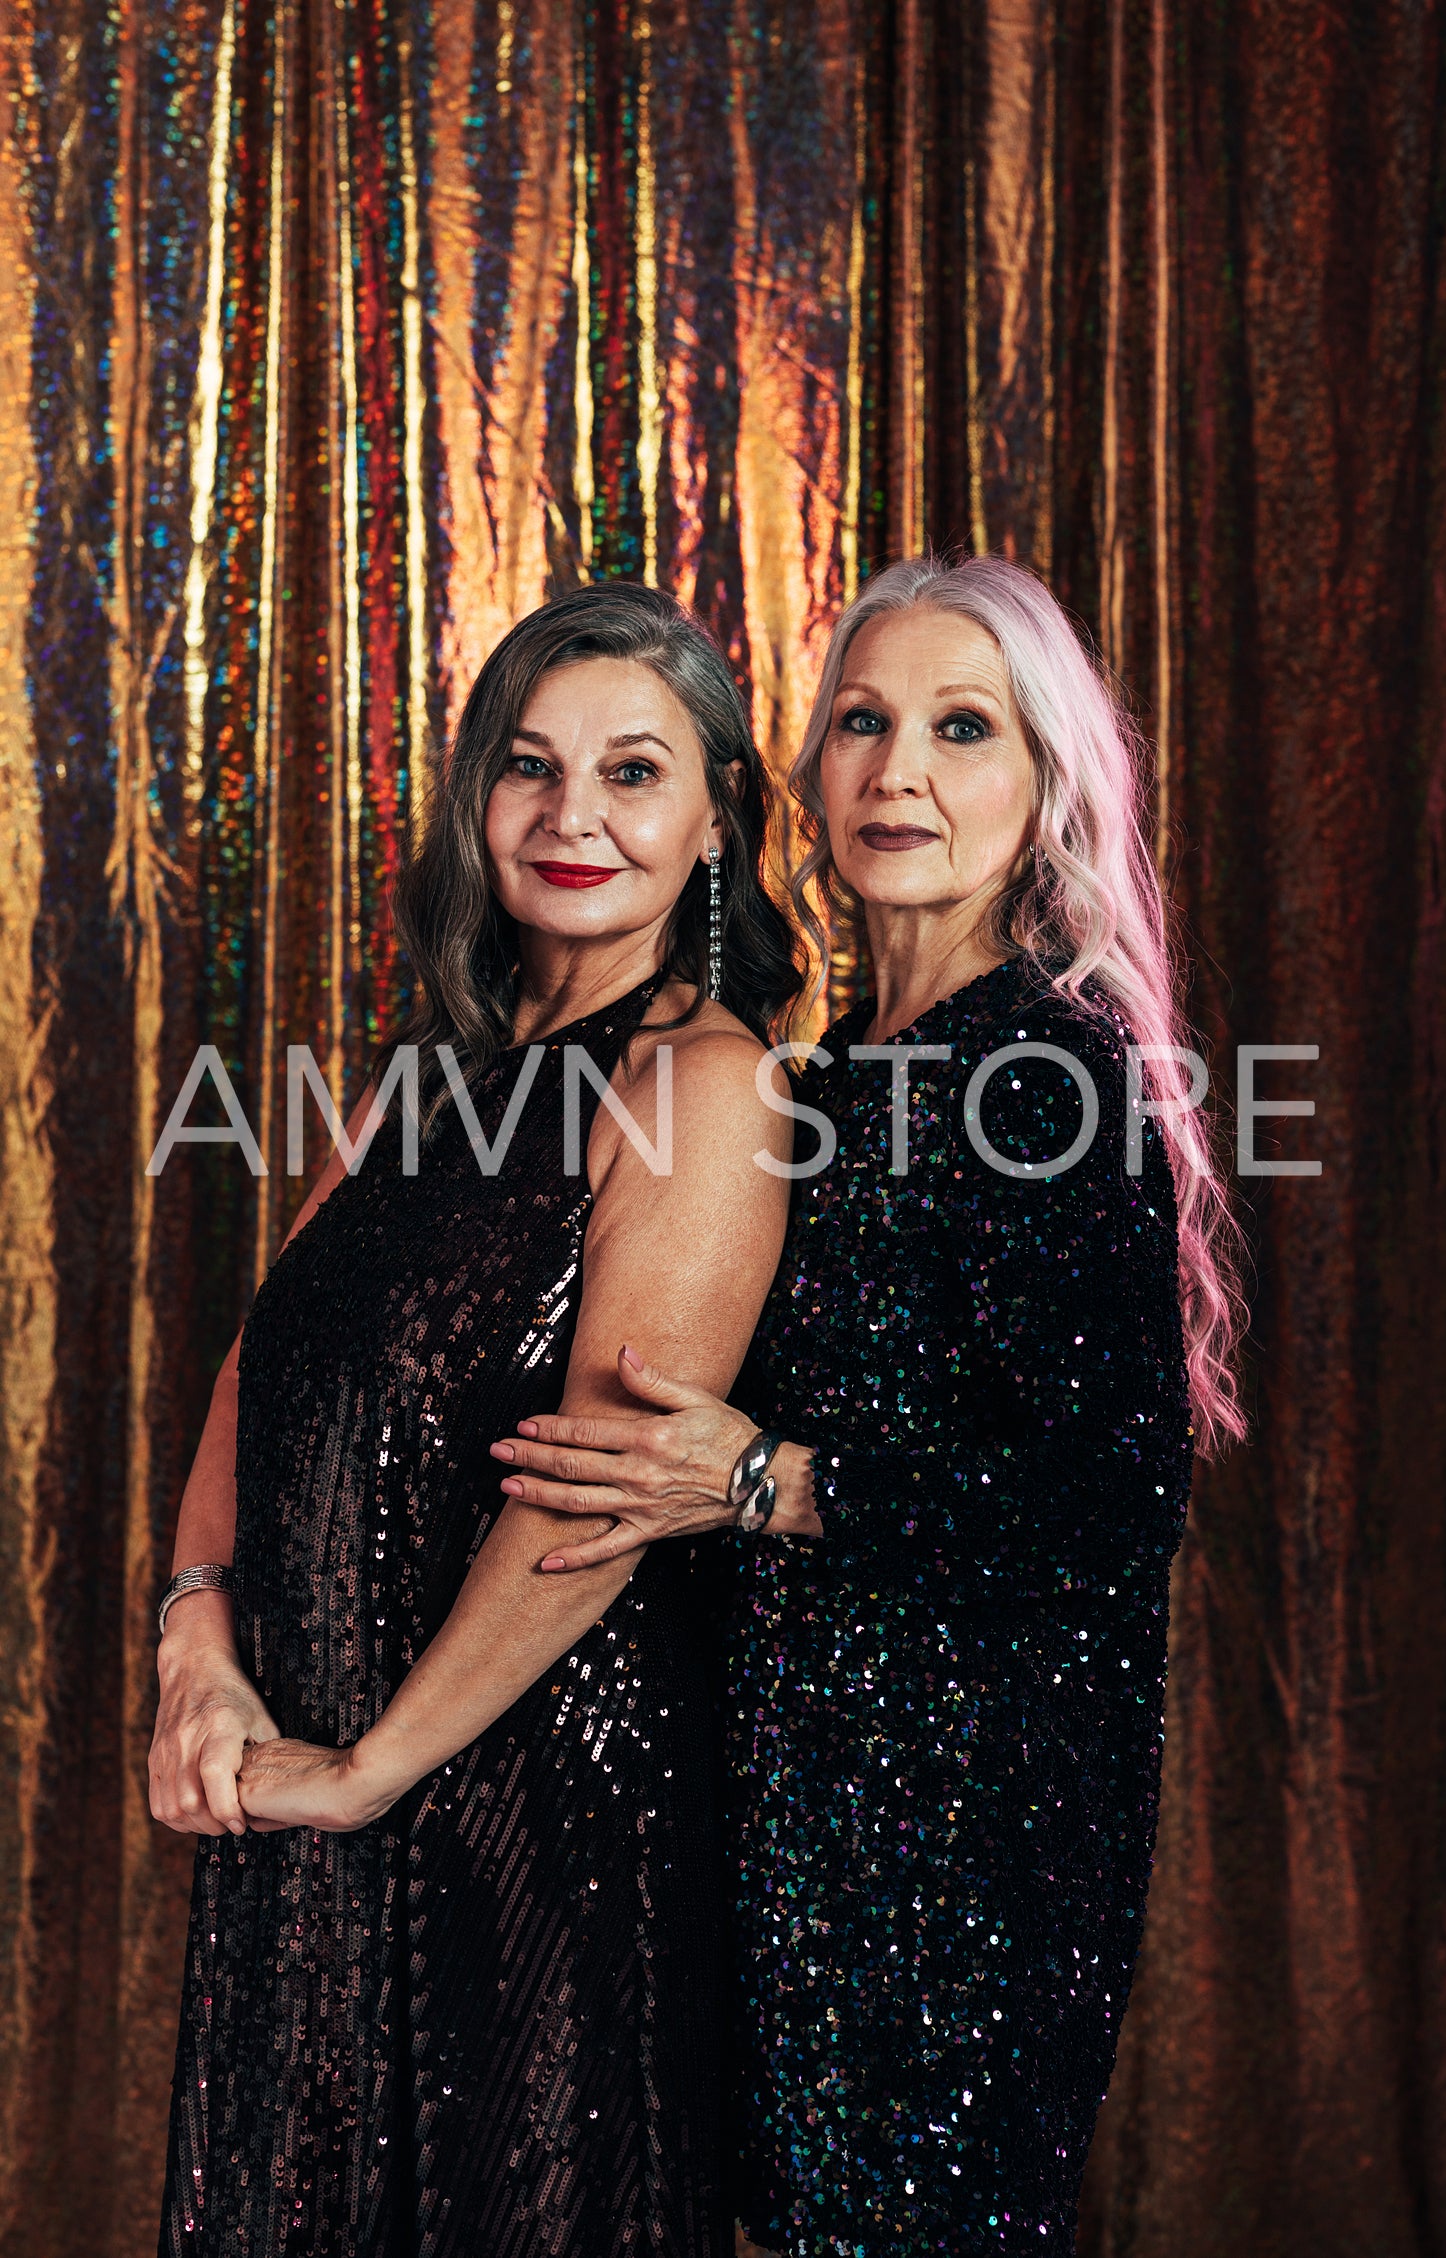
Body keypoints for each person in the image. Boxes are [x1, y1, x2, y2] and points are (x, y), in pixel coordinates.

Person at [492, 555, 1247, 2256]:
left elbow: (1102, 1502)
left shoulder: (1047, 1070)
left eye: (958, 728)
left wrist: (764, 1477)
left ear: (1044, 783)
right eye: (860, 721)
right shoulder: (824, 1077)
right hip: (791, 1813)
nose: (897, 769)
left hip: (964, 1847)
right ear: (808, 774)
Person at [148, 583, 811, 2258]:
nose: (572, 813)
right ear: (476, 802)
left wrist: (374, 1766)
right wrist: (196, 1646)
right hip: (306, 1796)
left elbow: (593, 1498)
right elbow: (256, 1376)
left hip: (529, 1824)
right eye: (530, 765)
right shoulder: (408, 1082)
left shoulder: (704, 1087)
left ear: (716, 817)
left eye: (633, 770)